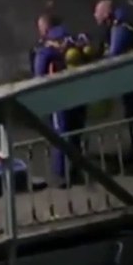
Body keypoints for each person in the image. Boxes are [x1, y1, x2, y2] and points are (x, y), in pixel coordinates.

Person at [32, 14, 88, 187]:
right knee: (76, 132)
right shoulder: (74, 38)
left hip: (58, 95)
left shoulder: (46, 46)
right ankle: (77, 171)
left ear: (45, 28)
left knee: (60, 134)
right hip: (79, 92)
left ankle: (61, 175)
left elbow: (39, 73)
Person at [94, 0, 133, 159]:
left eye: (97, 12)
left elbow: (115, 54)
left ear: (106, 13)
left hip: (132, 78)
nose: (94, 15)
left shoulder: (120, 27)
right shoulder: (120, 23)